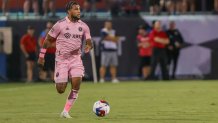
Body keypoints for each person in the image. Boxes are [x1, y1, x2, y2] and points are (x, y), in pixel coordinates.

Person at [37, 1, 93, 118]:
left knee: (76, 85)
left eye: (79, 9)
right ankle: (59, 79)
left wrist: (89, 45)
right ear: (69, 11)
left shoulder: (83, 26)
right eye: (76, 9)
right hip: (61, 59)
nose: (78, 11)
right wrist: (41, 56)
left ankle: (65, 111)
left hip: (76, 59)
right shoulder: (60, 24)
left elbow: (89, 40)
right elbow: (47, 41)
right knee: (61, 89)